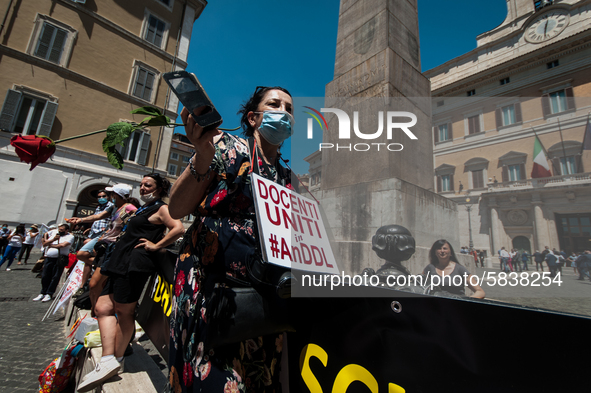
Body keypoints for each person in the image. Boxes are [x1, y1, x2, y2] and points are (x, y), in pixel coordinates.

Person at [167, 86, 295, 393]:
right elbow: (178, 208)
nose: (284, 112)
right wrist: (202, 154)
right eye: (274, 104)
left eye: (289, 108)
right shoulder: (225, 146)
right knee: (211, 377)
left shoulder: (289, 176)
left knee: (256, 375)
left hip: (261, 291)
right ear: (253, 118)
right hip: (210, 286)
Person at [77, 173, 183, 392]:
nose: (142, 188)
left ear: (159, 188)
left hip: (135, 264)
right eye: (141, 185)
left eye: (148, 185)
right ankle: (109, 359)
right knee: (102, 307)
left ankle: (115, 357)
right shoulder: (144, 209)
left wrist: (156, 245)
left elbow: (178, 228)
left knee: (123, 311)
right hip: (120, 262)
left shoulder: (161, 208)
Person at [69, 189, 118, 287]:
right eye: (99, 197)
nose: (101, 198)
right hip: (93, 233)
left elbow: (108, 219)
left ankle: (102, 265)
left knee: (88, 254)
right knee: (86, 258)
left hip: (102, 234)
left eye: (103, 196)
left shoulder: (111, 206)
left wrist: (106, 231)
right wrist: (86, 225)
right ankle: (83, 284)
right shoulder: (98, 207)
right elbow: (96, 218)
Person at [33, 224, 74, 302]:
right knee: (45, 275)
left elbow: (63, 245)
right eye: (59, 229)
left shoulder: (70, 236)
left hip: (60, 259)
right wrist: (53, 240)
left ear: (66, 230)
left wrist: (51, 245)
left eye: (62, 230)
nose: (60, 231)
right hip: (49, 258)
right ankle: (43, 292)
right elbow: (45, 244)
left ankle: (49, 293)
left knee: (55, 276)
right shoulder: (54, 234)